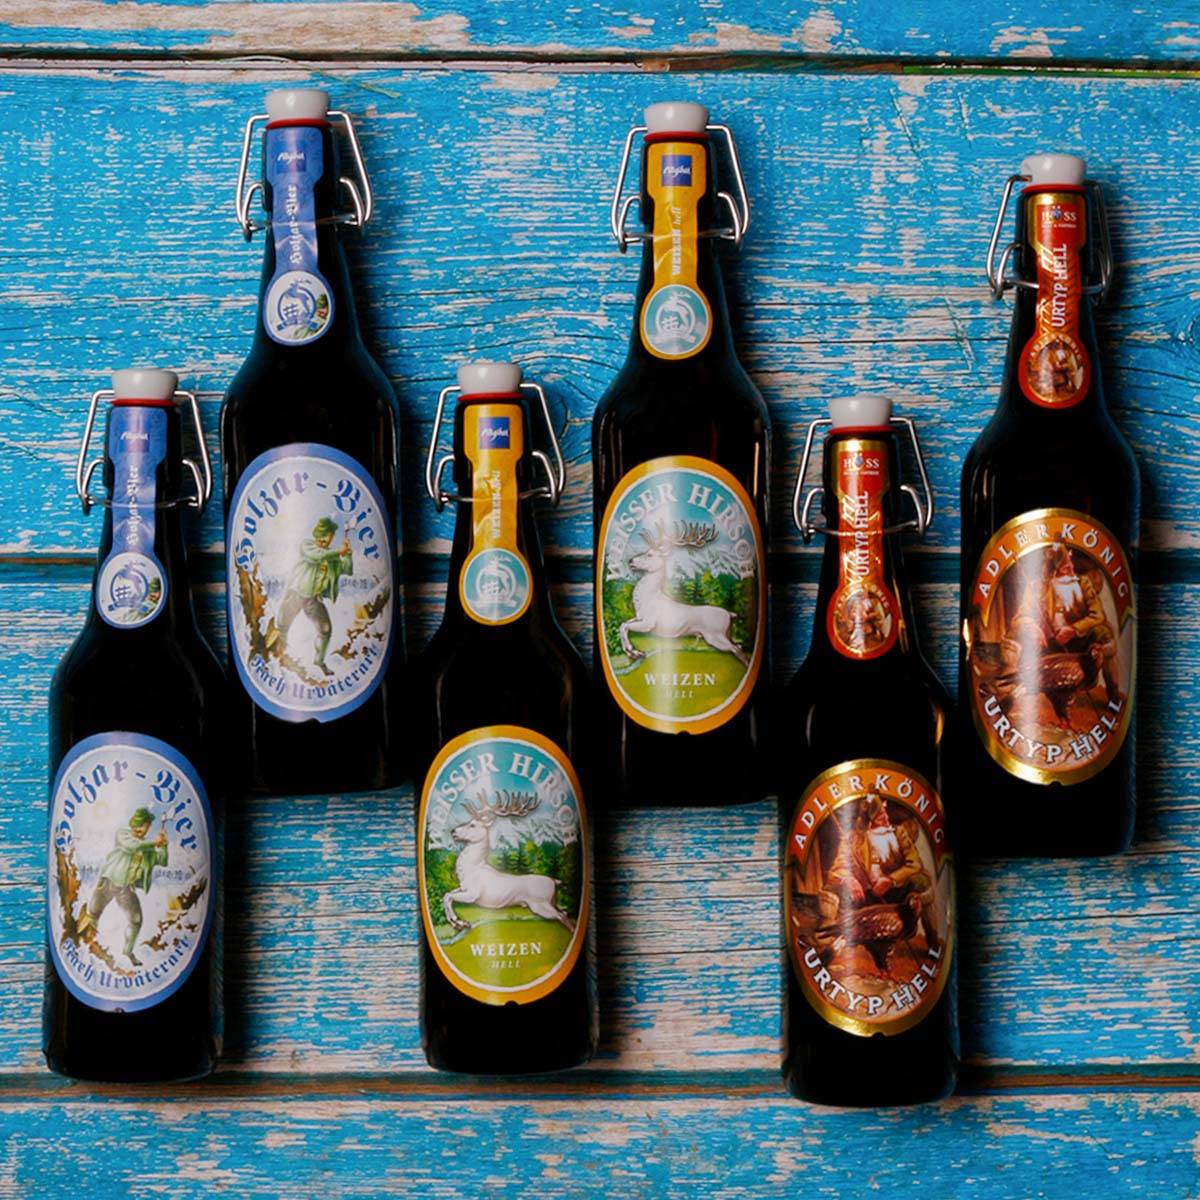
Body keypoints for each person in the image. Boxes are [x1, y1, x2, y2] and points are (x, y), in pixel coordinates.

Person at [825, 795, 941, 954]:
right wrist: (848, 879)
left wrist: (891, 880)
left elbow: (915, 864)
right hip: (868, 896)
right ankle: (829, 945)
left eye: (884, 812)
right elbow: (838, 868)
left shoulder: (899, 833)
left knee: (922, 883)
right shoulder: (853, 839)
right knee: (835, 895)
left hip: (899, 893)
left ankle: (934, 945)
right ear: (869, 820)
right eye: (880, 816)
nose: (886, 818)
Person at [1013, 543, 1119, 702]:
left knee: (1104, 634)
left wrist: (1073, 629)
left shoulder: (1082, 583)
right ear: (1055, 568)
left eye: (1070, 563)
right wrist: (1032, 627)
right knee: (1026, 663)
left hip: (1082, 641)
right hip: (1051, 643)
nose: (1071, 568)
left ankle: (1114, 696)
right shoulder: (1037, 587)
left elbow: (1098, 615)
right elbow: (1020, 618)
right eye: (1065, 566)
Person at [76, 808, 168, 966]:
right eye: (137, 824)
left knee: (136, 920)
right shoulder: (123, 835)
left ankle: (127, 953)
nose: (139, 828)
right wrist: (155, 842)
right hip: (109, 882)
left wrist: (164, 845)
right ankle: (87, 947)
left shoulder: (147, 850)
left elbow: (163, 861)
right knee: (93, 913)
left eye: (144, 825)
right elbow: (132, 846)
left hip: (126, 888)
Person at [275, 516, 353, 676]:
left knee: (325, 629)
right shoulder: (308, 546)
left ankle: (319, 662)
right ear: (317, 534)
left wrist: (347, 554)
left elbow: (347, 569)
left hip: (313, 598)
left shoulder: (331, 558)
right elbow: (316, 556)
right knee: (282, 626)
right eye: (322, 535)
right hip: (296, 594)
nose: (325, 540)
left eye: (328, 537)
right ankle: (277, 658)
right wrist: (339, 552)